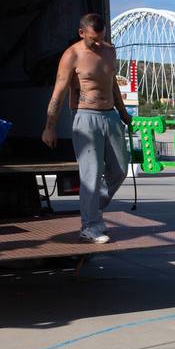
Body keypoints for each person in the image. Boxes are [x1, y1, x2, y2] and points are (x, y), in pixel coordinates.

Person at [43, 14, 131, 243]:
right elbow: (59, 93)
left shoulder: (109, 51)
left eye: (101, 38)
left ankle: (91, 206)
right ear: (81, 33)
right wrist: (49, 127)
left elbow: (112, 84)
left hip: (110, 116)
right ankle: (90, 226)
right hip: (85, 116)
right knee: (90, 174)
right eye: (93, 39)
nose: (98, 43)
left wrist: (123, 112)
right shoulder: (72, 55)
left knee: (120, 170)